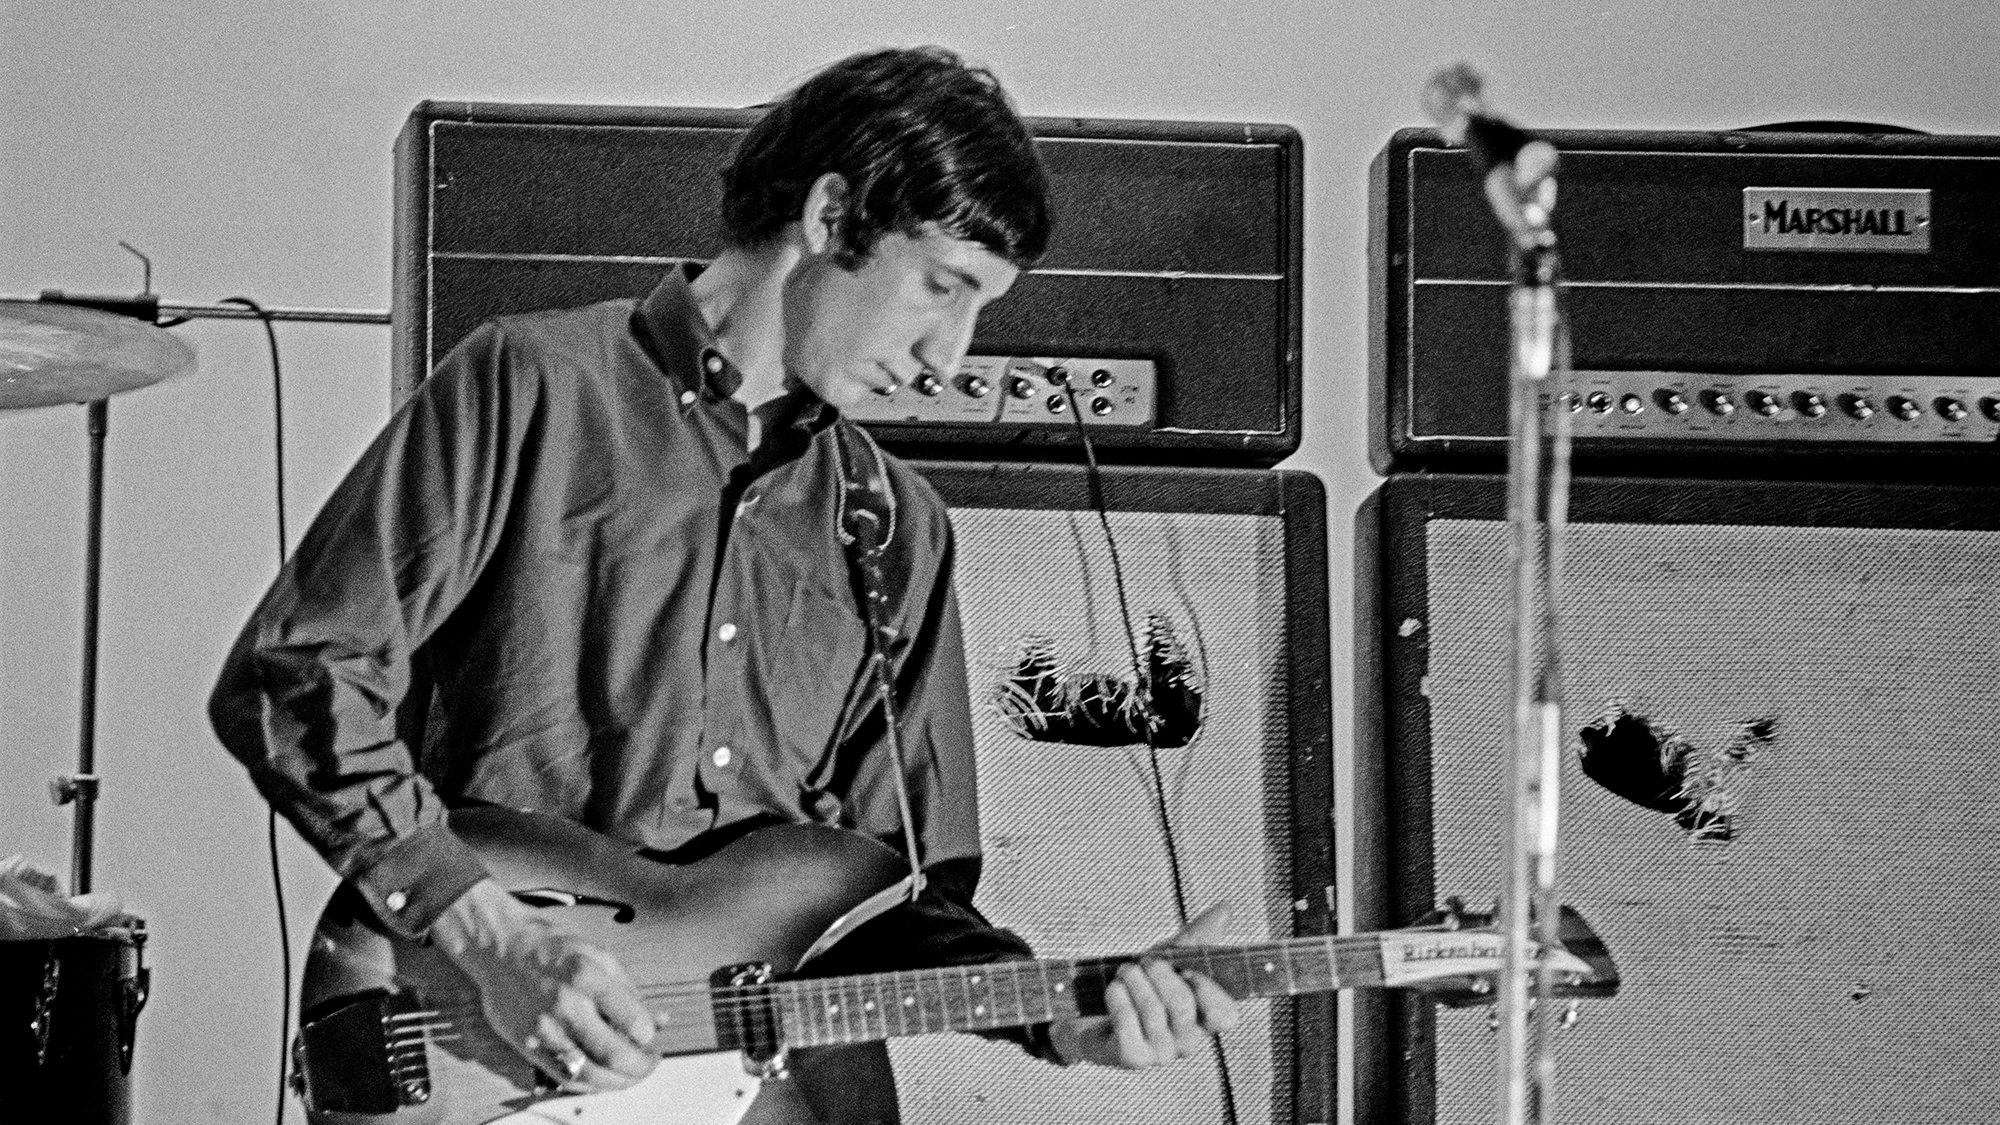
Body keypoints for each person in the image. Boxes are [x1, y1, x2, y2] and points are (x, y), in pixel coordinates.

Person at [208, 45, 1237, 1123]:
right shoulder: (534, 387)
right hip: (485, 1051)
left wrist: (1064, 1018)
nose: (949, 353)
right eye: (941, 288)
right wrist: (492, 939)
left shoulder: (900, 527)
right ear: (833, 218)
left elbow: (900, 897)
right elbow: (298, 672)